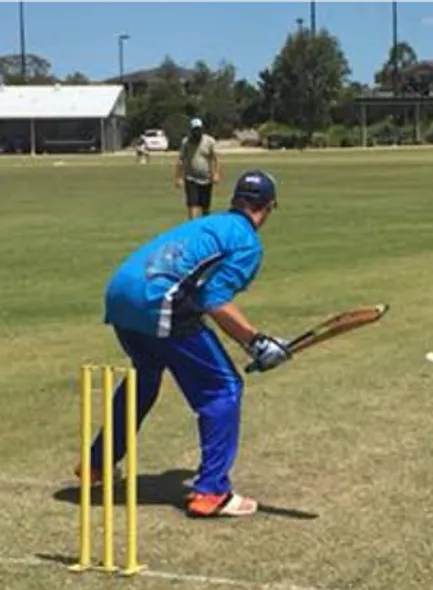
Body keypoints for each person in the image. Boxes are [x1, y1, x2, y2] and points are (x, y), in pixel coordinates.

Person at [86, 170, 288, 518]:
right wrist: (255, 342)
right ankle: (211, 492)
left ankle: (97, 465)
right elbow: (215, 299)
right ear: (269, 207)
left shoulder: (211, 224)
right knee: (222, 389)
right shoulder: (246, 242)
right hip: (158, 304)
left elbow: (194, 288)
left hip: (120, 295)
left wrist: (255, 340)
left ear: (236, 200)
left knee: (145, 378)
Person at [174, 117, 222, 220]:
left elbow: (215, 158)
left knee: (205, 207)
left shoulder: (209, 141)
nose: (197, 132)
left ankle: (204, 230)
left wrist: (216, 173)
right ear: (191, 130)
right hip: (191, 178)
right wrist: (179, 177)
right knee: (193, 205)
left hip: (206, 179)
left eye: (199, 129)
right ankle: (193, 229)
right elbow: (181, 160)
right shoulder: (186, 142)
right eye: (195, 130)